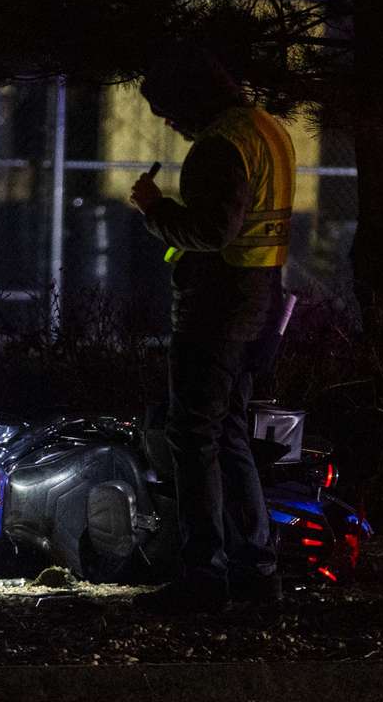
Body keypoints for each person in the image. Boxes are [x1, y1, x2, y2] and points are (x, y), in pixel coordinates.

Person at [128, 45, 296, 614]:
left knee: (193, 437)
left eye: (169, 111)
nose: (169, 124)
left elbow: (212, 230)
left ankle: (203, 575)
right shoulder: (266, 130)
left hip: (217, 307)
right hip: (261, 300)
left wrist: (155, 209)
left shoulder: (218, 147)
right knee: (228, 435)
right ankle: (257, 571)